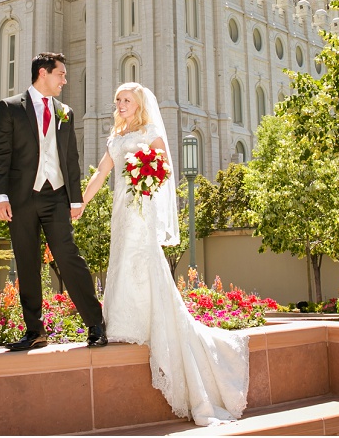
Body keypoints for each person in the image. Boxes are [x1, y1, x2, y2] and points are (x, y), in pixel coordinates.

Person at [82, 83, 249, 426]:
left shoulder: (151, 131)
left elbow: (166, 170)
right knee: (122, 261)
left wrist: (146, 174)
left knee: (144, 261)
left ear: (139, 104)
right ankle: (124, 322)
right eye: (117, 100)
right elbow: (101, 173)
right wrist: (81, 203)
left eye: (126, 100)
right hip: (121, 210)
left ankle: (148, 321)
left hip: (141, 209)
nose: (121, 104)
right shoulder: (115, 135)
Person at [0, 51, 106, 350]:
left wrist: (76, 199)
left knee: (69, 257)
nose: (64, 80)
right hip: (21, 198)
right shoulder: (10, 108)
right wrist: (0, 196)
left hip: (56, 195)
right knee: (27, 263)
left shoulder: (64, 112)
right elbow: (0, 155)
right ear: (43, 73)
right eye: (61, 74)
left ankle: (96, 325)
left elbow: (70, 158)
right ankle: (35, 332)